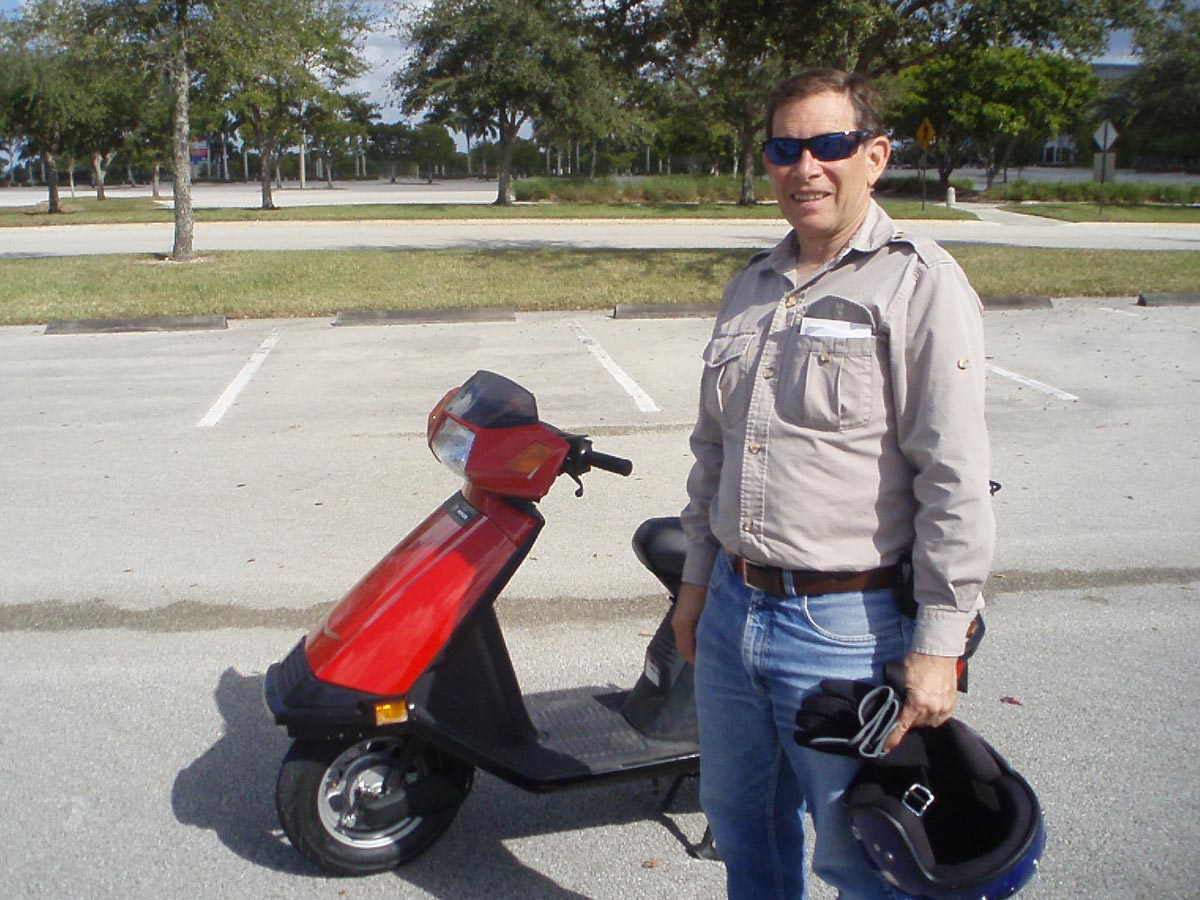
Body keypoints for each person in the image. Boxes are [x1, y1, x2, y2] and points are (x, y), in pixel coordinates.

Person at [671, 68, 995, 900]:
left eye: (830, 144)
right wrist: (696, 587)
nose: (805, 166)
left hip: (846, 629)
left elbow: (953, 474)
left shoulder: (917, 282)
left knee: (862, 856)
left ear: (875, 156)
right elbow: (714, 454)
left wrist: (939, 644)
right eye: (785, 148)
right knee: (741, 825)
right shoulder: (750, 286)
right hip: (734, 609)